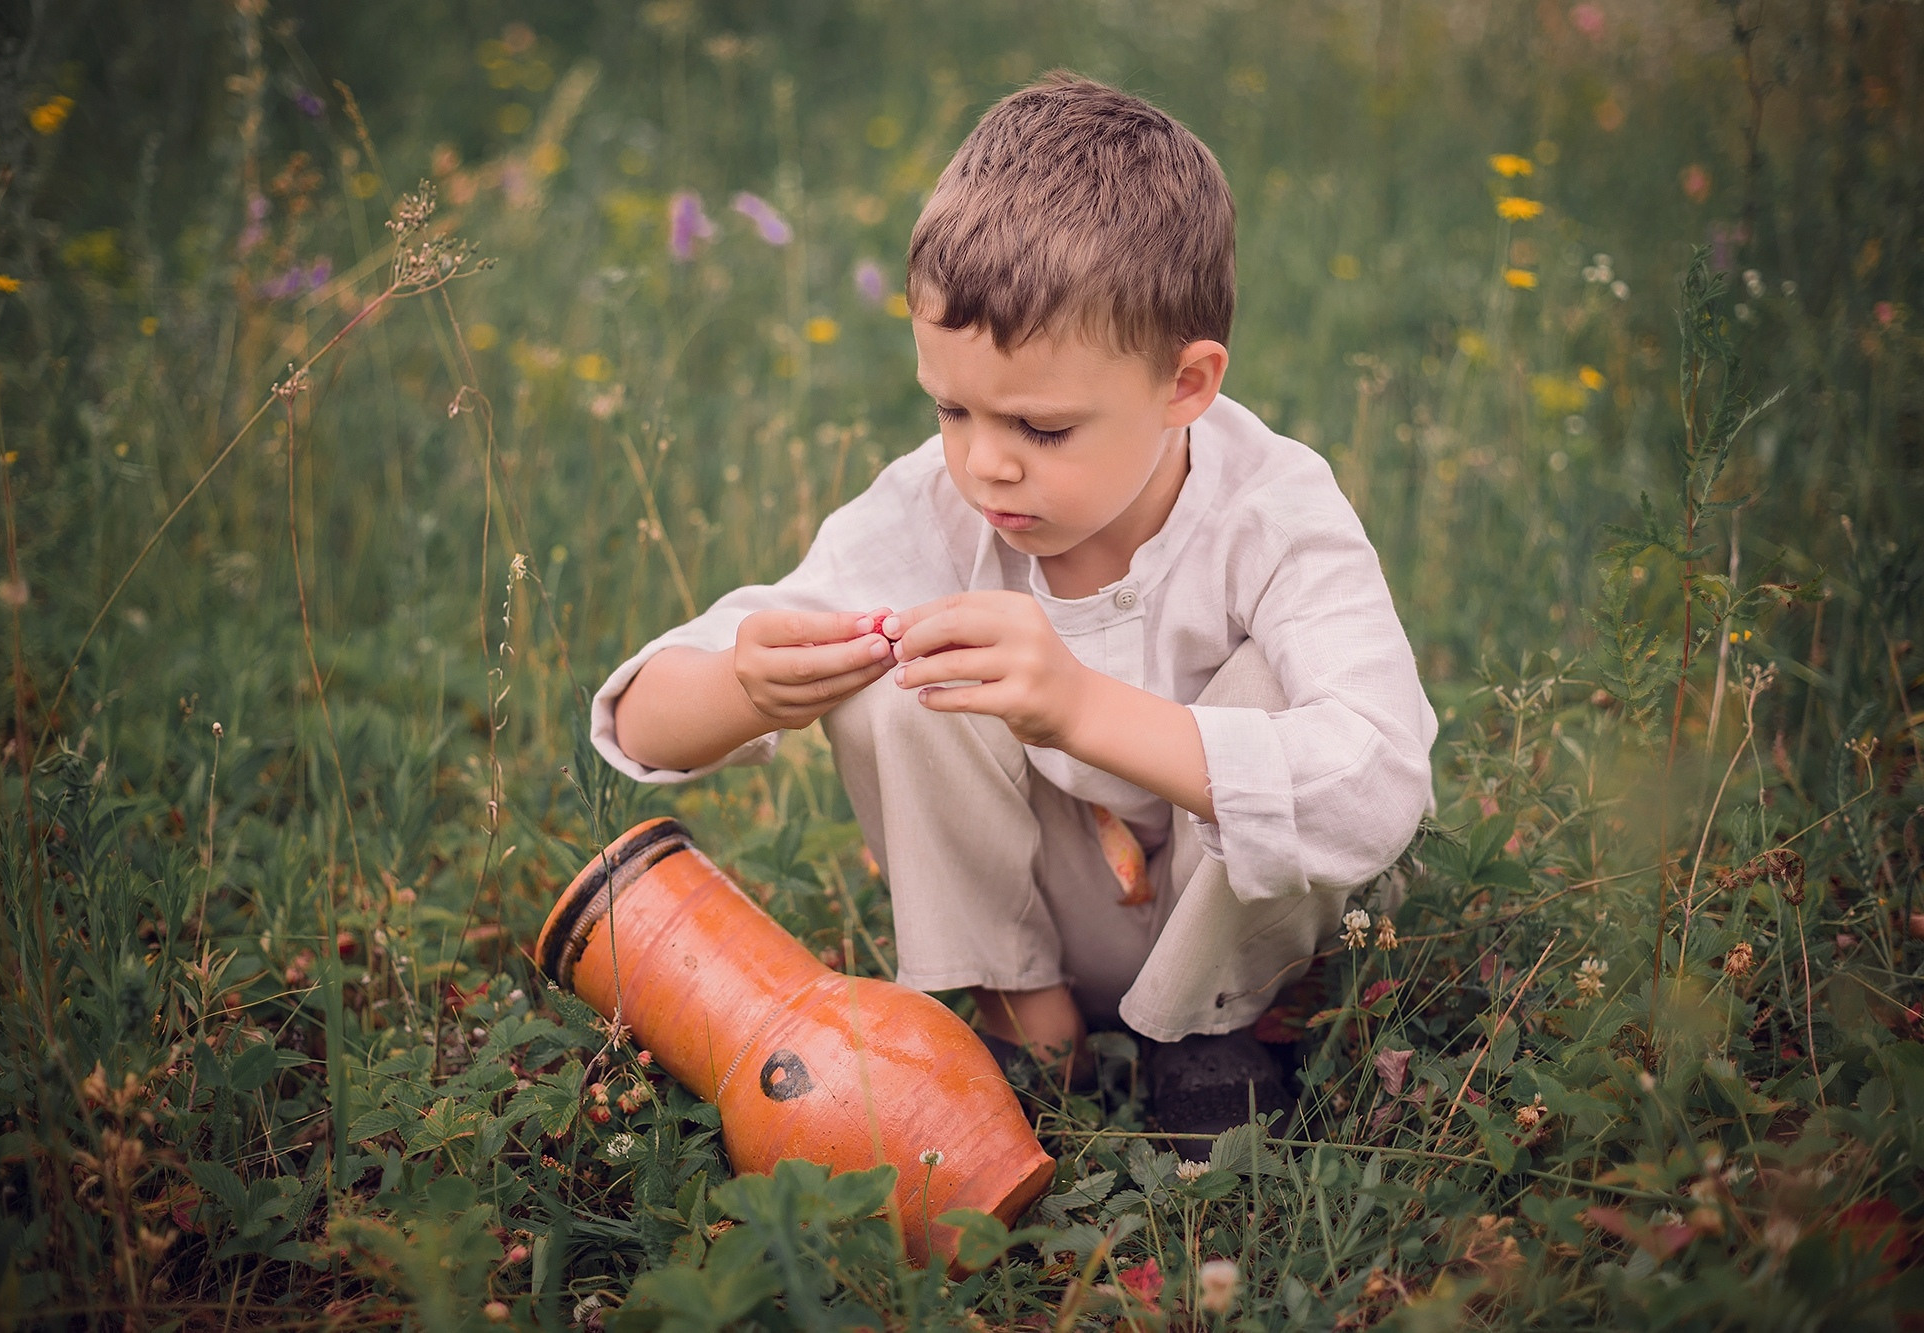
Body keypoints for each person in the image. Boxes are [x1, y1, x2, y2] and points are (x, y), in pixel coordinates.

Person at [591, 73, 1434, 1144]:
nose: (985, 464)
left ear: (1185, 386)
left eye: (1040, 429)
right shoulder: (929, 510)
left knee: (1270, 689)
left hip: (1246, 926)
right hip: (1052, 913)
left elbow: (1374, 786)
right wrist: (743, 683)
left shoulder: (1272, 509)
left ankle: (1212, 1032)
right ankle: (1020, 1015)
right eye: (949, 407)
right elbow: (639, 721)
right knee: (898, 683)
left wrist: (1079, 707)